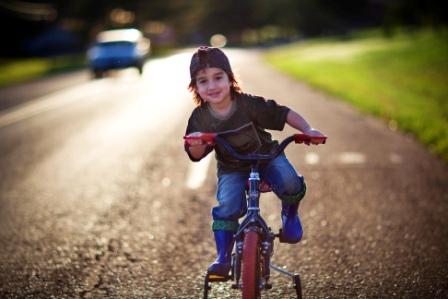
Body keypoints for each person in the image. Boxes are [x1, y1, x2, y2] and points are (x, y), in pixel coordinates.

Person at [184, 46, 325, 276]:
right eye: (203, 81)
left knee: (290, 181)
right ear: (195, 87)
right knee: (227, 206)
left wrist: (307, 129)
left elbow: (282, 113)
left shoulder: (247, 104)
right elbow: (196, 155)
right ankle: (223, 257)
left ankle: (289, 214)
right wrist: (198, 141)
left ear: (230, 78)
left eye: (218, 77)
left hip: (267, 157)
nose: (212, 86)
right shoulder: (200, 117)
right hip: (232, 168)